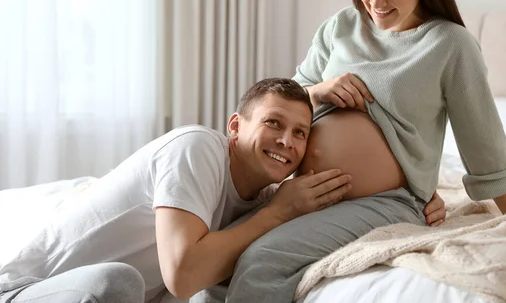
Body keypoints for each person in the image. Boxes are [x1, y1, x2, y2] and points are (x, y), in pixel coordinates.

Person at [213, 0, 506, 303]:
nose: (376, 2)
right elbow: (287, 98)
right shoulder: (341, 26)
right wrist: (320, 90)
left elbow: (485, 145)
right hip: (302, 189)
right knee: (219, 254)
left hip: (384, 202)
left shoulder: (450, 45)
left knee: (261, 260)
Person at [0, 78, 355, 302]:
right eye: (273, 123)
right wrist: (278, 213)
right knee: (118, 281)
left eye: (300, 133)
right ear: (235, 126)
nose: (285, 140)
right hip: (25, 291)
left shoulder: (261, 200)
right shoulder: (196, 148)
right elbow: (182, 276)